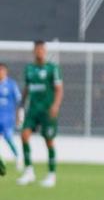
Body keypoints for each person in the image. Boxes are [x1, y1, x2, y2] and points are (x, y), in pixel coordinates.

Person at [16, 41, 63, 188]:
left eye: (42, 50)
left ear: (45, 51)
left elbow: (59, 89)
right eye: (37, 50)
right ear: (34, 51)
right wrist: (20, 107)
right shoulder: (29, 69)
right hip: (33, 110)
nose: (39, 52)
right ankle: (29, 171)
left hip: (47, 111)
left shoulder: (52, 68)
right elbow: (26, 89)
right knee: (24, 135)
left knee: (48, 140)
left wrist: (55, 105)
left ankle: (51, 174)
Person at [0, 63, 22, 174]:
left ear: (6, 71)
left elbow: (19, 101)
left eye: (2, 70)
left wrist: (19, 116)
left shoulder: (11, 84)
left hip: (7, 118)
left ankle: (18, 157)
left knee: (8, 139)